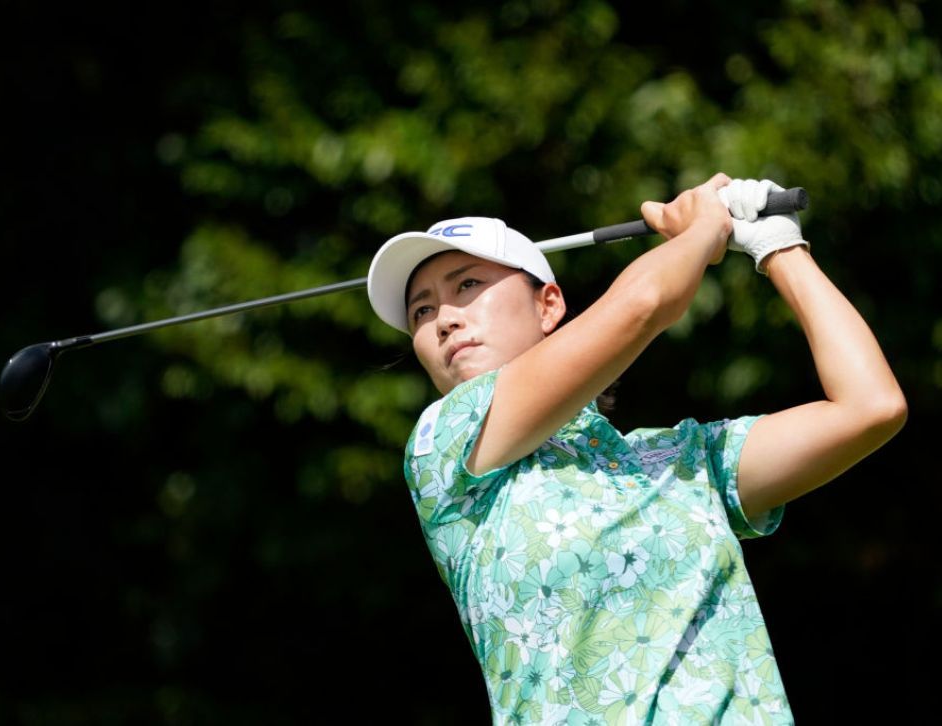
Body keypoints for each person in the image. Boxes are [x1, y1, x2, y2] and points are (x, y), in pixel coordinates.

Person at [365, 174, 906, 724]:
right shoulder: (443, 446)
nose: (445, 319)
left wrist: (777, 246)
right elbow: (643, 303)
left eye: (466, 285)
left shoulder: (681, 462)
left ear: (549, 304)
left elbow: (870, 407)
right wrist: (701, 230)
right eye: (422, 311)